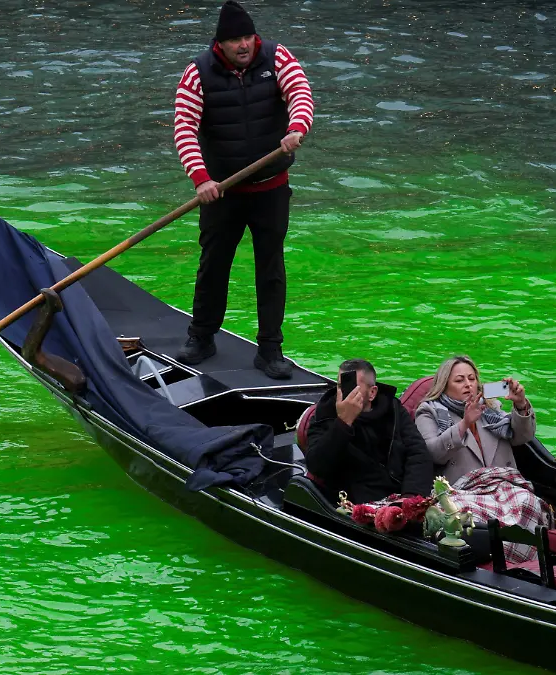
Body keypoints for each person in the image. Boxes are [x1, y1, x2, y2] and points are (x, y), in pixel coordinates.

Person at [172, 0, 315, 380]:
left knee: (271, 269)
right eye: (236, 40)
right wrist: (201, 179)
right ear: (220, 43)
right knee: (213, 265)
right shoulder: (197, 73)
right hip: (222, 192)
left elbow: (300, 93)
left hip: (271, 189)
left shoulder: (277, 57)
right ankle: (202, 337)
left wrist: (296, 127)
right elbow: (184, 127)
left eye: (248, 37)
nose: (244, 45)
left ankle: (270, 349)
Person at [306, 359, 435, 505]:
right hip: (356, 503)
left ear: (372, 393)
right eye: (341, 386)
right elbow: (316, 466)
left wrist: (411, 497)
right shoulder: (325, 414)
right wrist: (343, 423)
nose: (345, 393)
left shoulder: (393, 409)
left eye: (352, 387)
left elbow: (417, 452)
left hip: (401, 493)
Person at [413, 355, 536, 481]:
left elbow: (523, 437)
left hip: (507, 483)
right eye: (459, 380)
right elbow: (434, 455)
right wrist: (465, 423)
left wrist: (521, 404)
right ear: (443, 386)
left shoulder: (491, 407)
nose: (468, 384)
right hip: (464, 489)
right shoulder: (428, 411)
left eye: (472, 379)